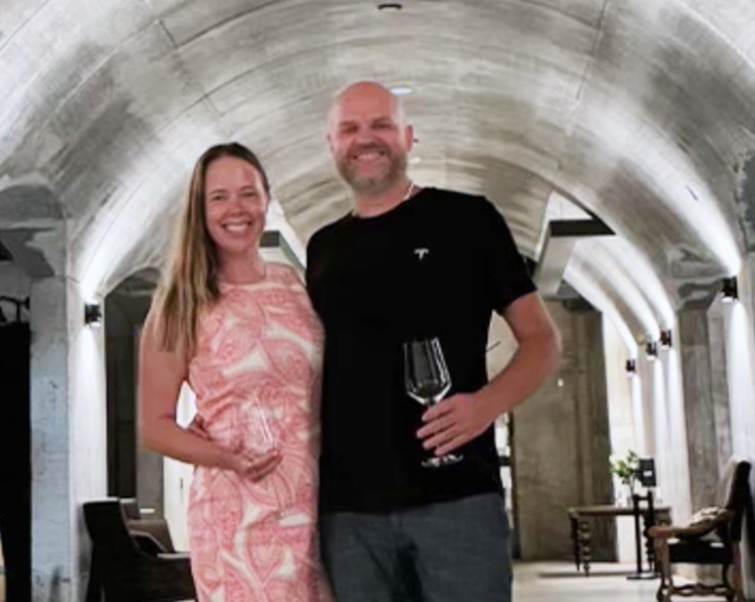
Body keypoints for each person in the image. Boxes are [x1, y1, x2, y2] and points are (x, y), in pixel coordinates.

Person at [306, 82, 561, 601]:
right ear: (331, 144)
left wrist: (486, 405)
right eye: (350, 129)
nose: (366, 139)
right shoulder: (322, 248)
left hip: (457, 503)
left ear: (408, 137)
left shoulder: (468, 220)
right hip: (349, 514)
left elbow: (541, 339)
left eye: (381, 124)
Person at [139, 143, 330, 601]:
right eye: (219, 197)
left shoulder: (294, 286)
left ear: (268, 200)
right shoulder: (179, 304)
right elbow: (154, 428)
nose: (236, 209)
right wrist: (229, 458)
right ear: (199, 210)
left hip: (316, 508)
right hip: (238, 514)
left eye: (248, 194)